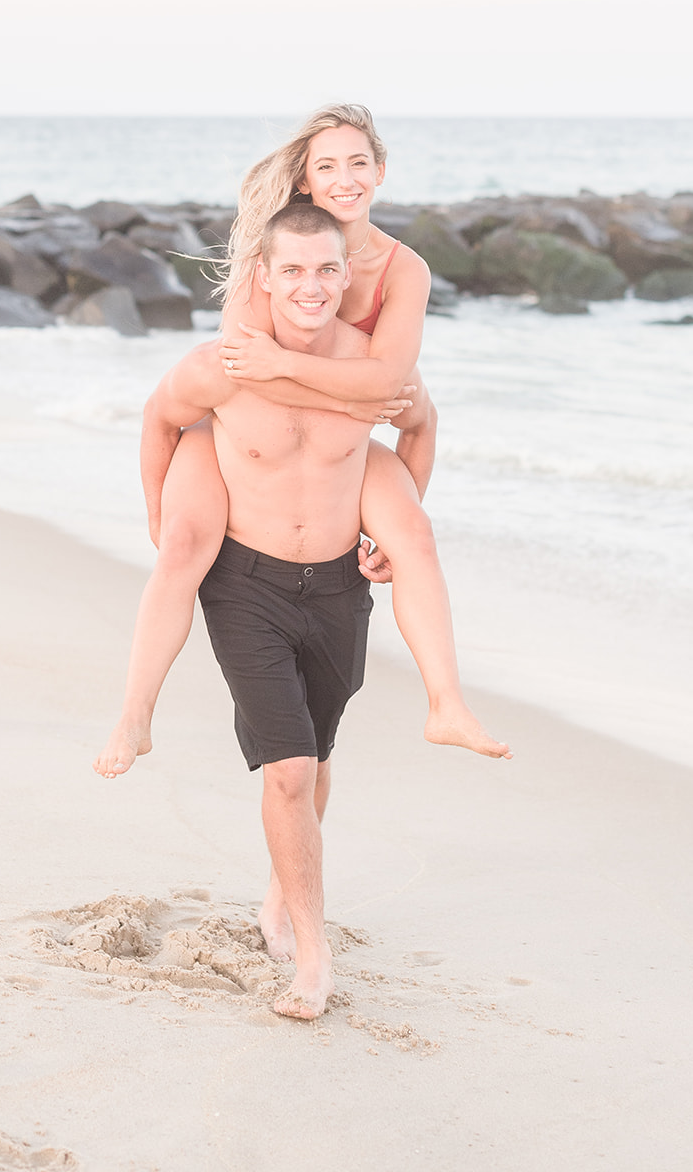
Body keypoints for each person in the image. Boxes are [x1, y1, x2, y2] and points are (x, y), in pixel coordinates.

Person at [98, 203, 510, 1019]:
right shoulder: (225, 365)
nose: (311, 286)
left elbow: (422, 425)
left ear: (347, 275)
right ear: (264, 277)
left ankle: (282, 897)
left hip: (334, 591)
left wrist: (391, 534)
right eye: (292, 270)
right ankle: (313, 960)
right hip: (245, 585)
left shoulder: (372, 372)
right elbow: (159, 416)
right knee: (287, 770)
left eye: (326, 269)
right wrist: (157, 515)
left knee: (313, 765)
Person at [94, 104, 507, 783]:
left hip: (340, 441)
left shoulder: (406, 271)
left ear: (379, 172)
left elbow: (389, 389)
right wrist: (358, 397)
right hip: (238, 430)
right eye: (327, 166)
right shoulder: (271, 253)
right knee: (185, 547)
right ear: (307, 182)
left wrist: (379, 520)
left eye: (357, 163)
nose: (344, 178)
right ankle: (135, 714)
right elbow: (244, 380)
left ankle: (447, 705)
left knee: (416, 535)